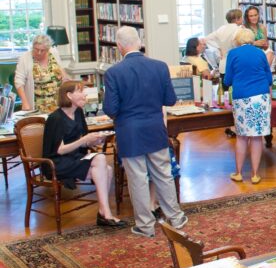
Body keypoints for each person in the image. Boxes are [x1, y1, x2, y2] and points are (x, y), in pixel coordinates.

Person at [102, 26, 187, 238]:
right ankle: (176, 218)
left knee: (137, 179)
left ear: (119, 47)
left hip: (129, 132)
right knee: (164, 174)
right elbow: (170, 100)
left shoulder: (113, 73)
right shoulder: (159, 67)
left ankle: (145, 226)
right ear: (140, 43)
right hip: (155, 128)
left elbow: (111, 109)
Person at [43, 80, 123, 226]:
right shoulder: (55, 118)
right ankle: (106, 213)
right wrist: (84, 140)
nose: (85, 94)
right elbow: (60, 150)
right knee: (100, 160)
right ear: (69, 95)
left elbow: (82, 141)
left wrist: (94, 141)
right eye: (80, 91)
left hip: (75, 157)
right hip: (58, 163)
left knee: (107, 168)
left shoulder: (78, 112)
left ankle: (103, 213)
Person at [222, 28, 273, 184]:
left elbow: (227, 80)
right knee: (257, 137)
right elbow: (269, 78)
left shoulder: (233, 54)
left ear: (237, 40)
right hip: (260, 97)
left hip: (242, 97)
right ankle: (255, 174)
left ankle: (238, 173)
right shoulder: (260, 54)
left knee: (242, 137)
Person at [15, 34, 68, 112]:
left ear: (47, 49)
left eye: (42, 50)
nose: (39, 52)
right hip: (38, 104)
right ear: (33, 46)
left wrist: (66, 80)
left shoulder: (53, 52)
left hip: (58, 101)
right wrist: (25, 102)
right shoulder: (25, 58)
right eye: (36, 49)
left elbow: (60, 69)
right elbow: (19, 82)